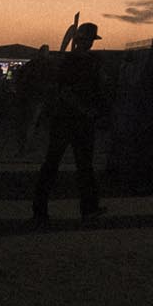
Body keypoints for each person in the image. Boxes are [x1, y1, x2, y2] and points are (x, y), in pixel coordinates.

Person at [32, 21, 108, 224]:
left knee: (79, 166)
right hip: (69, 120)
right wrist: (86, 110)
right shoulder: (71, 62)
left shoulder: (84, 61)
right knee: (58, 164)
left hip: (73, 120)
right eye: (89, 40)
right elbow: (63, 90)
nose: (90, 44)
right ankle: (43, 209)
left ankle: (87, 208)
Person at [16, 44, 57, 155]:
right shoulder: (46, 65)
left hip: (36, 97)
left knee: (31, 123)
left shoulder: (33, 64)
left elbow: (21, 77)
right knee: (33, 123)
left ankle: (26, 147)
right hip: (38, 97)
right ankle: (27, 147)